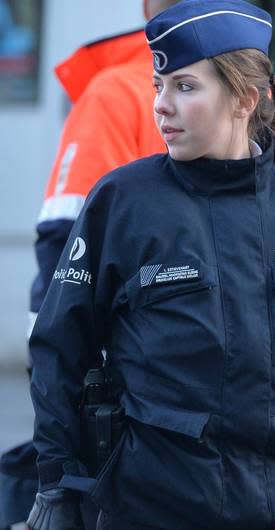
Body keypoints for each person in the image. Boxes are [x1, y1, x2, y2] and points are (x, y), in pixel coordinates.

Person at [26, 1, 275, 529]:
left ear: (246, 98)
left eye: (184, 86)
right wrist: (57, 483)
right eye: (158, 85)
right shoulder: (122, 203)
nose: (161, 105)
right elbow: (58, 351)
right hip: (156, 507)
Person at [1, 3, 175, 529]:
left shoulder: (245, 94)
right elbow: (63, 244)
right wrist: (67, 386)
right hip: (130, 383)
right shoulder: (118, 94)